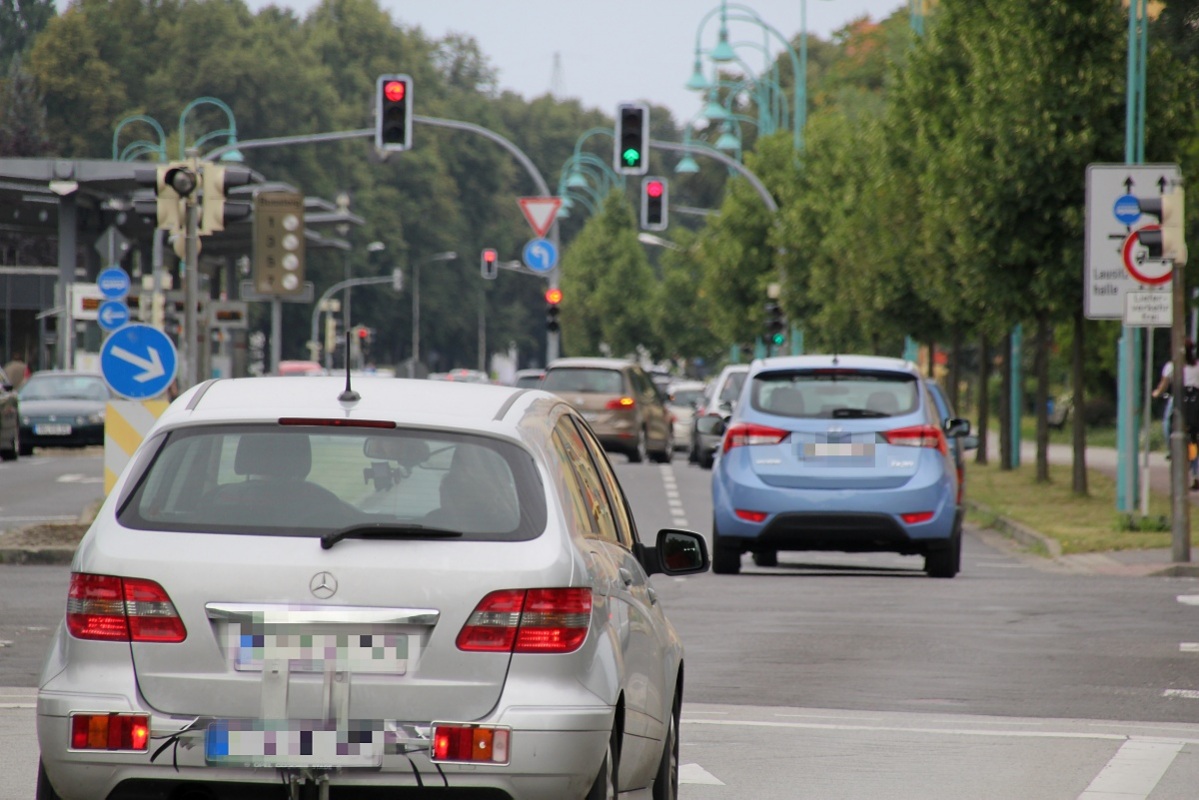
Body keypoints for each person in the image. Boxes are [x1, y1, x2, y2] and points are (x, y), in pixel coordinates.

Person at [1152, 338, 1199, 489]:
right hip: (1195, 405)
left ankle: (1170, 448)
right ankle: (1196, 473)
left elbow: (1163, 386)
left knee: (1167, 424)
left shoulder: (1172, 366)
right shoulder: (1197, 366)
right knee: (1194, 440)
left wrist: (1156, 393)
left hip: (1179, 403)